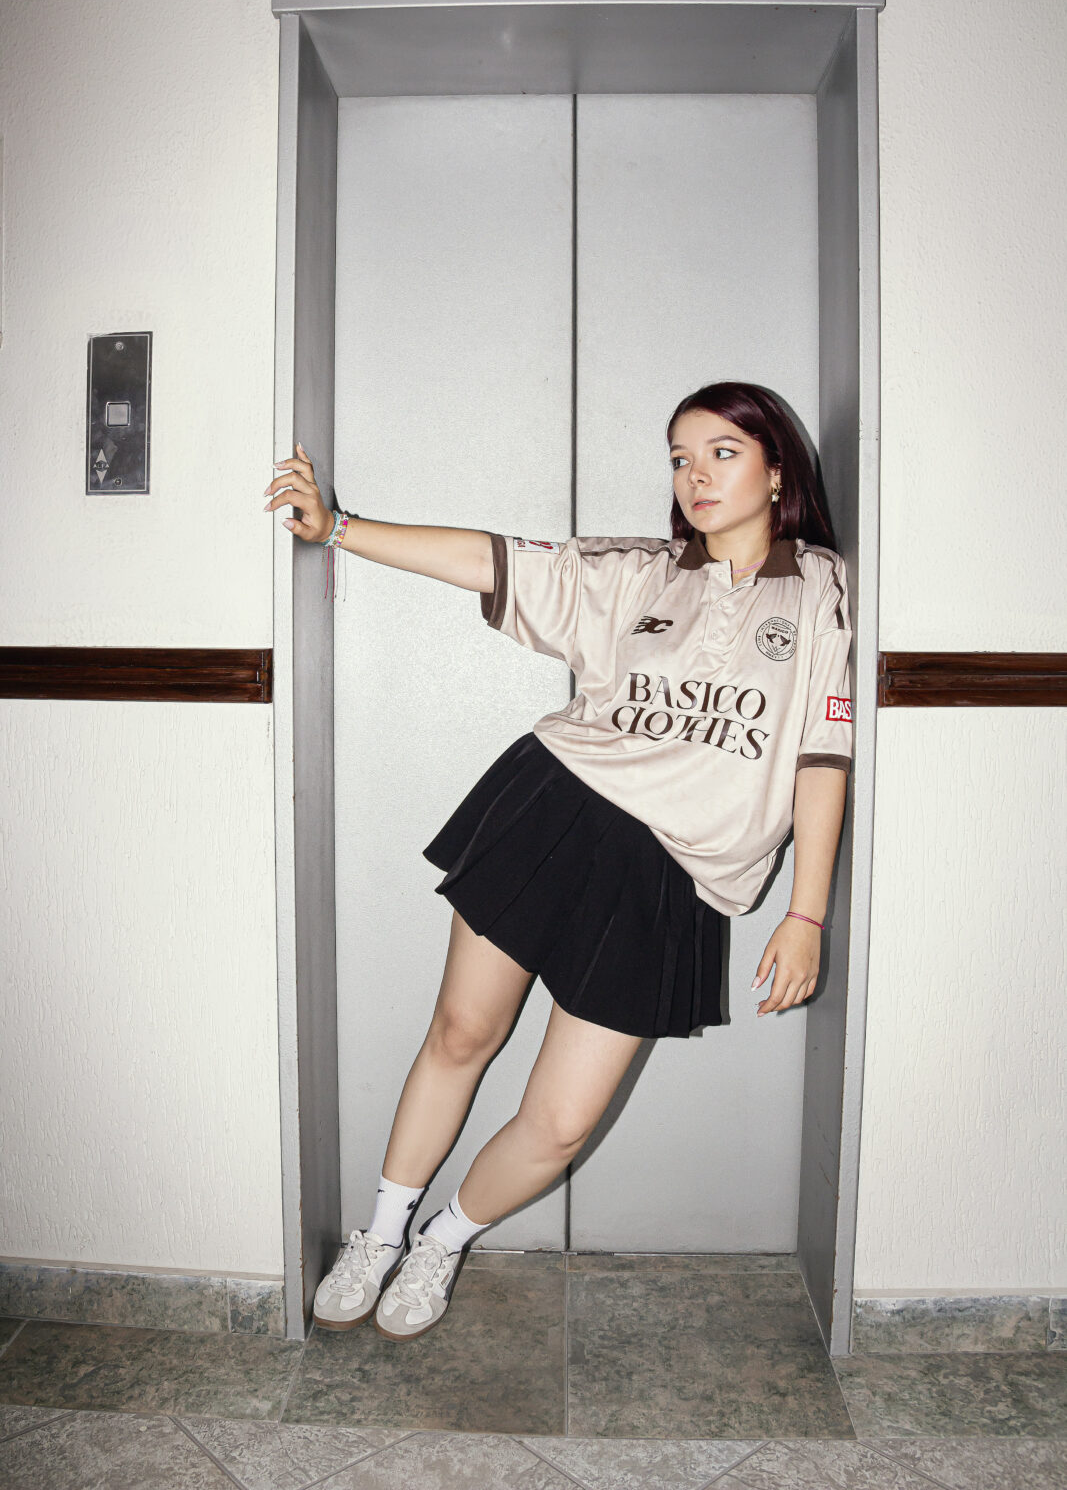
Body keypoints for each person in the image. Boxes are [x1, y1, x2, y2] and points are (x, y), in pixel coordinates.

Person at [262, 380, 852, 1343]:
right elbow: (487, 557)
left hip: (675, 877)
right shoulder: (641, 571)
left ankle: (442, 1241)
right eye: (679, 457)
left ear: (777, 468)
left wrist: (806, 912)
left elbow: (823, 759)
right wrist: (338, 530)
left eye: (722, 452)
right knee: (461, 1032)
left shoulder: (823, 589)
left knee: (563, 1119)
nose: (695, 476)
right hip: (560, 812)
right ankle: (379, 1234)